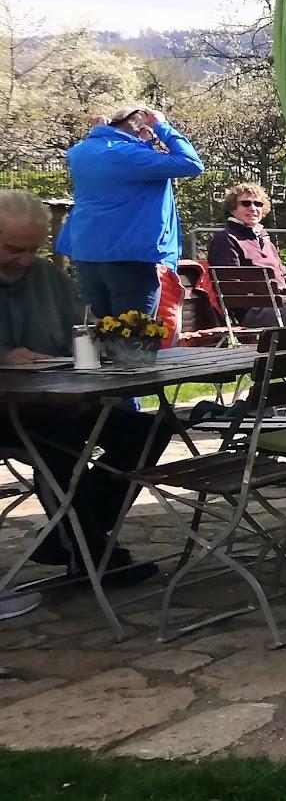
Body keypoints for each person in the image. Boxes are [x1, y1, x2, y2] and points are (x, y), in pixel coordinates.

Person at [0, 191, 167, 585]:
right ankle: (91, 555)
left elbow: (79, 329)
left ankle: (68, 536)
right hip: (8, 411)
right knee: (60, 450)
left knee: (150, 428)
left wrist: (105, 344)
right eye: (12, 249)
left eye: (31, 249)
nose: (24, 259)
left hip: (57, 399)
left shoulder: (46, 275)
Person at [56, 103, 203, 320]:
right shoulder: (130, 155)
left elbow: (111, 159)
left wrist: (101, 132)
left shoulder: (81, 152)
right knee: (134, 338)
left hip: (87, 255)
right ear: (138, 124)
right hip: (129, 257)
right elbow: (191, 163)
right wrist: (162, 126)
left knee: (102, 334)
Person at [206, 182, 286, 326]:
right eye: (246, 203)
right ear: (233, 208)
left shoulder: (265, 240)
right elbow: (232, 288)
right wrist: (275, 299)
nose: (252, 208)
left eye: (258, 204)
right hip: (253, 311)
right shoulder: (226, 239)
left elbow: (285, 278)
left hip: (282, 304)